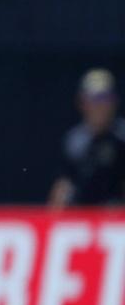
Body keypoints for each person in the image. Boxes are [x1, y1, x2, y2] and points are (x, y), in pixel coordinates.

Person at [49, 69, 125, 208]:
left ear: (115, 102)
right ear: (82, 103)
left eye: (105, 98)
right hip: (83, 216)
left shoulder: (121, 136)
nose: (100, 106)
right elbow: (63, 186)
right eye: (94, 99)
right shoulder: (74, 142)